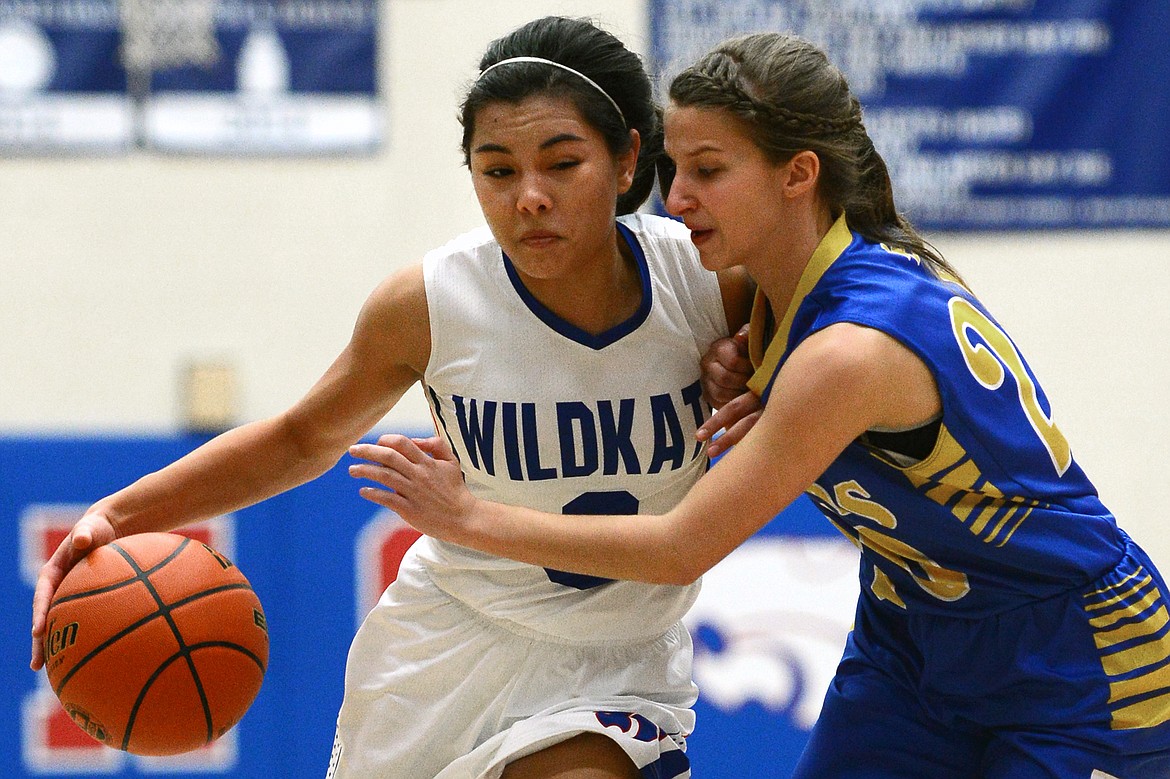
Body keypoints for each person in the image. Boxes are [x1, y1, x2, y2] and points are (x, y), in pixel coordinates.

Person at [348, 31, 1170, 778]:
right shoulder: (772, 299)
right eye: (674, 171)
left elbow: (680, 548)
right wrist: (748, 368)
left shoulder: (848, 346)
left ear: (797, 173)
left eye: (709, 171)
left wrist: (466, 517)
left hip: (1073, 650)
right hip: (911, 631)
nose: (677, 200)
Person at [30, 16, 755, 778]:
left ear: (627, 157)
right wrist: (116, 514)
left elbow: (823, 371)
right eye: (497, 171)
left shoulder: (710, 282)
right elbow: (299, 439)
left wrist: (758, 374)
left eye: (562, 164)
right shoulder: (431, 301)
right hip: (443, 655)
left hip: (617, 665)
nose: (529, 197)